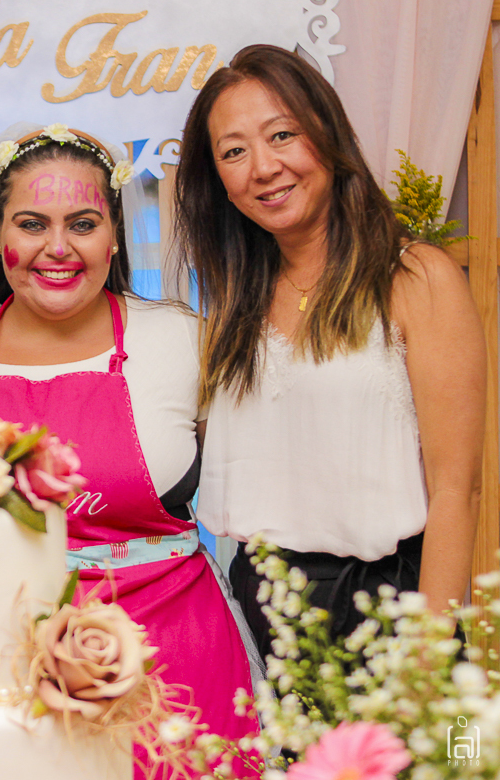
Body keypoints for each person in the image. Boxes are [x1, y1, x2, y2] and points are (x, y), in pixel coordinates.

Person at [0, 124, 258, 779]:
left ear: (115, 236)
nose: (58, 247)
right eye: (32, 224)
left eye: (83, 223)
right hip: (5, 670)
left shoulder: (183, 342)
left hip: (180, 665)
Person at [175, 44, 486, 657]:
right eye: (234, 152)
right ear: (220, 183)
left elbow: (457, 490)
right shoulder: (235, 300)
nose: (263, 167)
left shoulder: (415, 278)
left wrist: (425, 661)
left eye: (282, 135)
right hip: (256, 608)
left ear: (327, 133)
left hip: (388, 612)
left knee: (436, 732)